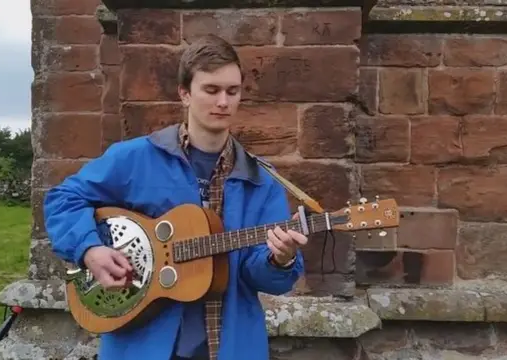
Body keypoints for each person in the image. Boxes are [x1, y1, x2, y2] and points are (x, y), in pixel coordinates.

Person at [43, 34, 308, 360]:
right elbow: (62, 199)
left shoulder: (262, 181)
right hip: (141, 343)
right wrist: (89, 249)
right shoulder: (136, 158)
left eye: (232, 91)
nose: (223, 102)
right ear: (185, 94)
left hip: (226, 346)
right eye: (211, 90)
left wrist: (280, 259)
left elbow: (261, 277)